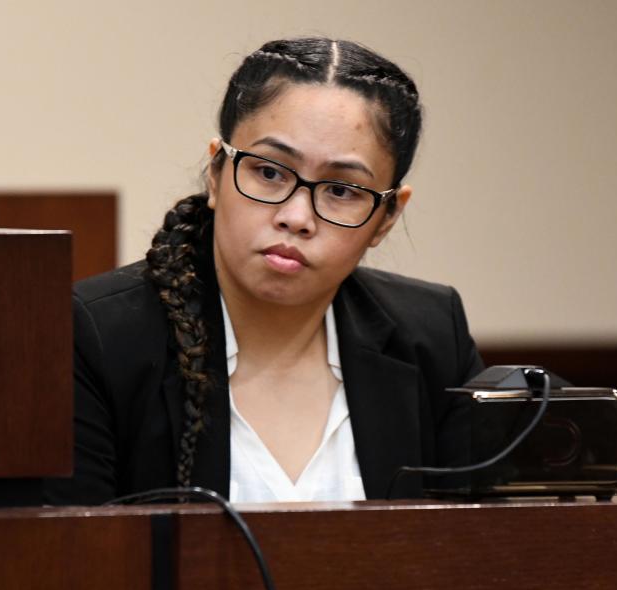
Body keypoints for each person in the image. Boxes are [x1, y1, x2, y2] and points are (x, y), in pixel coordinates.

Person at [43, 37, 485, 506]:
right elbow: (74, 562)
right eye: (270, 173)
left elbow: (480, 549)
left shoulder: (431, 335)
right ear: (216, 172)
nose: (297, 216)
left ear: (387, 217)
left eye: (340, 190)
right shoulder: (97, 334)